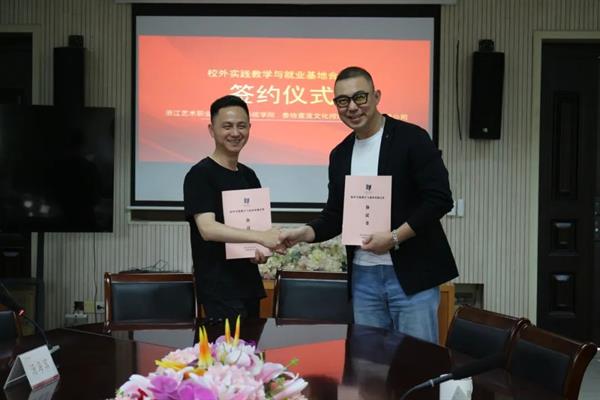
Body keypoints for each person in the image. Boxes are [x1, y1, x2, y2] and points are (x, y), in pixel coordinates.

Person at [280, 67, 458, 343]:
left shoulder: (411, 138)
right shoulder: (340, 154)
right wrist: (304, 232)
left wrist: (395, 237)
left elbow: (439, 198)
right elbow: (335, 216)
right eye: (342, 101)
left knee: (417, 359)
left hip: (413, 275)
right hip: (364, 277)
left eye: (360, 97)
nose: (352, 107)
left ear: (376, 96)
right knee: (370, 362)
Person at [183, 95, 281, 320]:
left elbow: (256, 233)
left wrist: (260, 252)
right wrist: (261, 237)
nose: (235, 133)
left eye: (241, 126)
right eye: (227, 126)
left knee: (250, 343)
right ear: (212, 130)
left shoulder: (249, 175)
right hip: (219, 288)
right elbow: (207, 229)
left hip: (248, 285)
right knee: (228, 345)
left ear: (249, 128)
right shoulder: (200, 174)